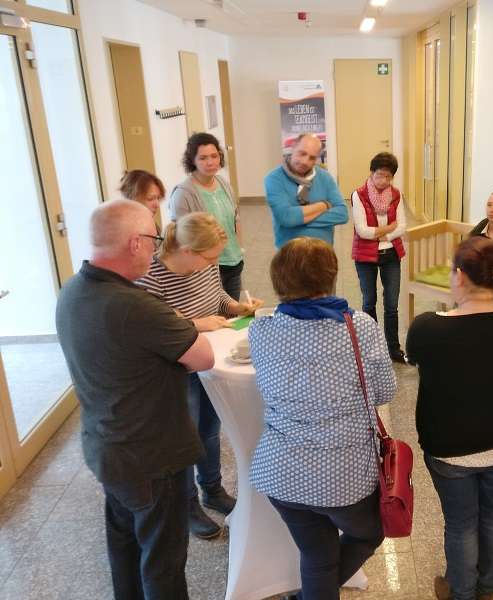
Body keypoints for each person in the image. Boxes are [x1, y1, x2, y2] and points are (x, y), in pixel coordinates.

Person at [55, 200, 214, 599]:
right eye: (154, 239)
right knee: (163, 561)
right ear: (135, 243)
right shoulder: (136, 307)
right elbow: (203, 357)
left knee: (125, 549)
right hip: (151, 456)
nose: (157, 248)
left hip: (107, 446)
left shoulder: (72, 291)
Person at [249, 238, 395, 600]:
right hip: (342, 475)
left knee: (316, 554)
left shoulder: (261, 330)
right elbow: (384, 392)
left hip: (280, 472)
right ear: (331, 276)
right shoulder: (359, 327)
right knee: (368, 533)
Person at [407, 236, 493, 600]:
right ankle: (487, 589)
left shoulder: (427, 327)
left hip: (451, 449)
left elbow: (418, 361)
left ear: (461, 276)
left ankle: (462, 593)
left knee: (461, 524)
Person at [136, 212, 262, 539]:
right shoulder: (151, 276)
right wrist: (195, 323)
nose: (214, 263)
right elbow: (152, 325)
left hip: (209, 358)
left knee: (208, 429)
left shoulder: (204, 265)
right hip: (177, 367)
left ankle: (212, 489)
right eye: (209, 257)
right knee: (184, 438)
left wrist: (237, 308)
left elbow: (217, 297)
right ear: (188, 251)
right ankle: (187, 503)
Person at [169, 132, 245, 301]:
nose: (210, 162)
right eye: (203, 158)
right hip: (206, 269)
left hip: (234, 263)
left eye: (214, 156)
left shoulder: (224, 183)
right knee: (212, 312)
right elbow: (180, 237)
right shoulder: (183, 194)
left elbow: (235, 219)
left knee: (232, 312)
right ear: (192, 160)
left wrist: (240, 249)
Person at [352, 152, 408, 363]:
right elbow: (362, 231)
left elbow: (402, 226)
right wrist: (388, 228)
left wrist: (385, 234)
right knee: (369, 302)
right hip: (365, 254)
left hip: (391, 253)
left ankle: (393, 348)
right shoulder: (359, 195)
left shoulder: (396, 195)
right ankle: (371, 349)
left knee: (391, 305)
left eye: (388, 176)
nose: (383, 180)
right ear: (371, 173)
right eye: (379, 175)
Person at [264, 133, 349, 249]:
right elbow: (286, 217)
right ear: (293, 148)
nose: (305, 161)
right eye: (302, 153)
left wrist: (298, 220)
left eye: (312, 158)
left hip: (323, 252)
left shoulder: (325, 177)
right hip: (290, 253)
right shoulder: (274, 178)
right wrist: (324, 205)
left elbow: (342, 214)